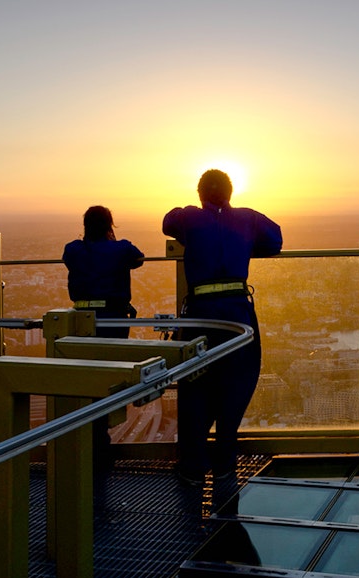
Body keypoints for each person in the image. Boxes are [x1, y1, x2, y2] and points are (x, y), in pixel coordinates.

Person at [162, 169, 282, 486]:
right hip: (237, 313)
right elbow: (276, 241)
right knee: (237, 382)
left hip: (200, 314)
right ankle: (225, 464)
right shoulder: (248, 219)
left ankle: (192, 466)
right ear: (231, 193)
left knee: (195, 385)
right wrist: (241, 244)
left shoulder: (188, 217)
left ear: (200, 194)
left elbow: (167, 223)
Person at [62, 205, 145, 470]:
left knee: (85, 381)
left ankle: (89, 445)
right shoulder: (121, 249)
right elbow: (138, 258)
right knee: (108, 379)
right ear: (110, 225)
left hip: (81, 321)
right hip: (113, 320)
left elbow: (71, 257)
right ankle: (101, 445)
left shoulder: (73, 250)